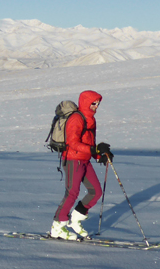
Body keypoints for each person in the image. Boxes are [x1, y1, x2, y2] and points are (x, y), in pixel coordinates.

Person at [50, 90, 114, 240]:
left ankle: (76, 221)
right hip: (73, 160)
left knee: (95, 191)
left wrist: (99, 155)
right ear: (86, 102)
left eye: (98, 103)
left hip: (84, 160)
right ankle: (57, 226)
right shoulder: (76, 119)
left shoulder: (91, 119)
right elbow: (72, 143)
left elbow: (90, 142)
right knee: (72, 192)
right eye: (93, 103)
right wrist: (93, 149)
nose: (96, 106)